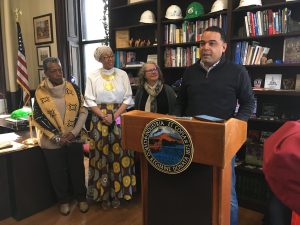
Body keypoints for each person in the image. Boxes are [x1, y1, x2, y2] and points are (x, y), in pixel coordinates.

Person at [174, 26, 255, 225]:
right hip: (191, 140)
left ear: (224, 47)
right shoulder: (190, 71)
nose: (206, 48)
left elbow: (248, 103)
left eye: (212, 43)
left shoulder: (237, 71)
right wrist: (176, 122)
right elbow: (180, 102)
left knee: (227, 194)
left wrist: (235, 125)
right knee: (195, 189)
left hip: (223, 141)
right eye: (202, 43)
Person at [32, 57, 89, 215]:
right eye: (53, 71)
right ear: (46, 73)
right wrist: (56, 137)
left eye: (60, 70)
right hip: (52, 141)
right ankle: (63, 200)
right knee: (57, 173)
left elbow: (83, 111)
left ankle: (81, 198)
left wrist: (73, 133)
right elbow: (38, 117)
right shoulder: (40, 92)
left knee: (77, 169)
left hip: (74, 137)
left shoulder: (73, 88)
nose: (58, 73)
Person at [84, 46, 136, 209]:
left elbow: (128, 98)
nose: (110, 59)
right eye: (105, 57)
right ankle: (103, 194)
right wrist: (103, 115)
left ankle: (119, 193)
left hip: (119, 115)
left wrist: (114, 115)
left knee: (121, 154)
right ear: (100, 59)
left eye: (111, 56)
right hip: (99, 117)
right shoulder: (92, 76)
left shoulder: (122, 74)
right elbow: (89, 100)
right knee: (101, 154)